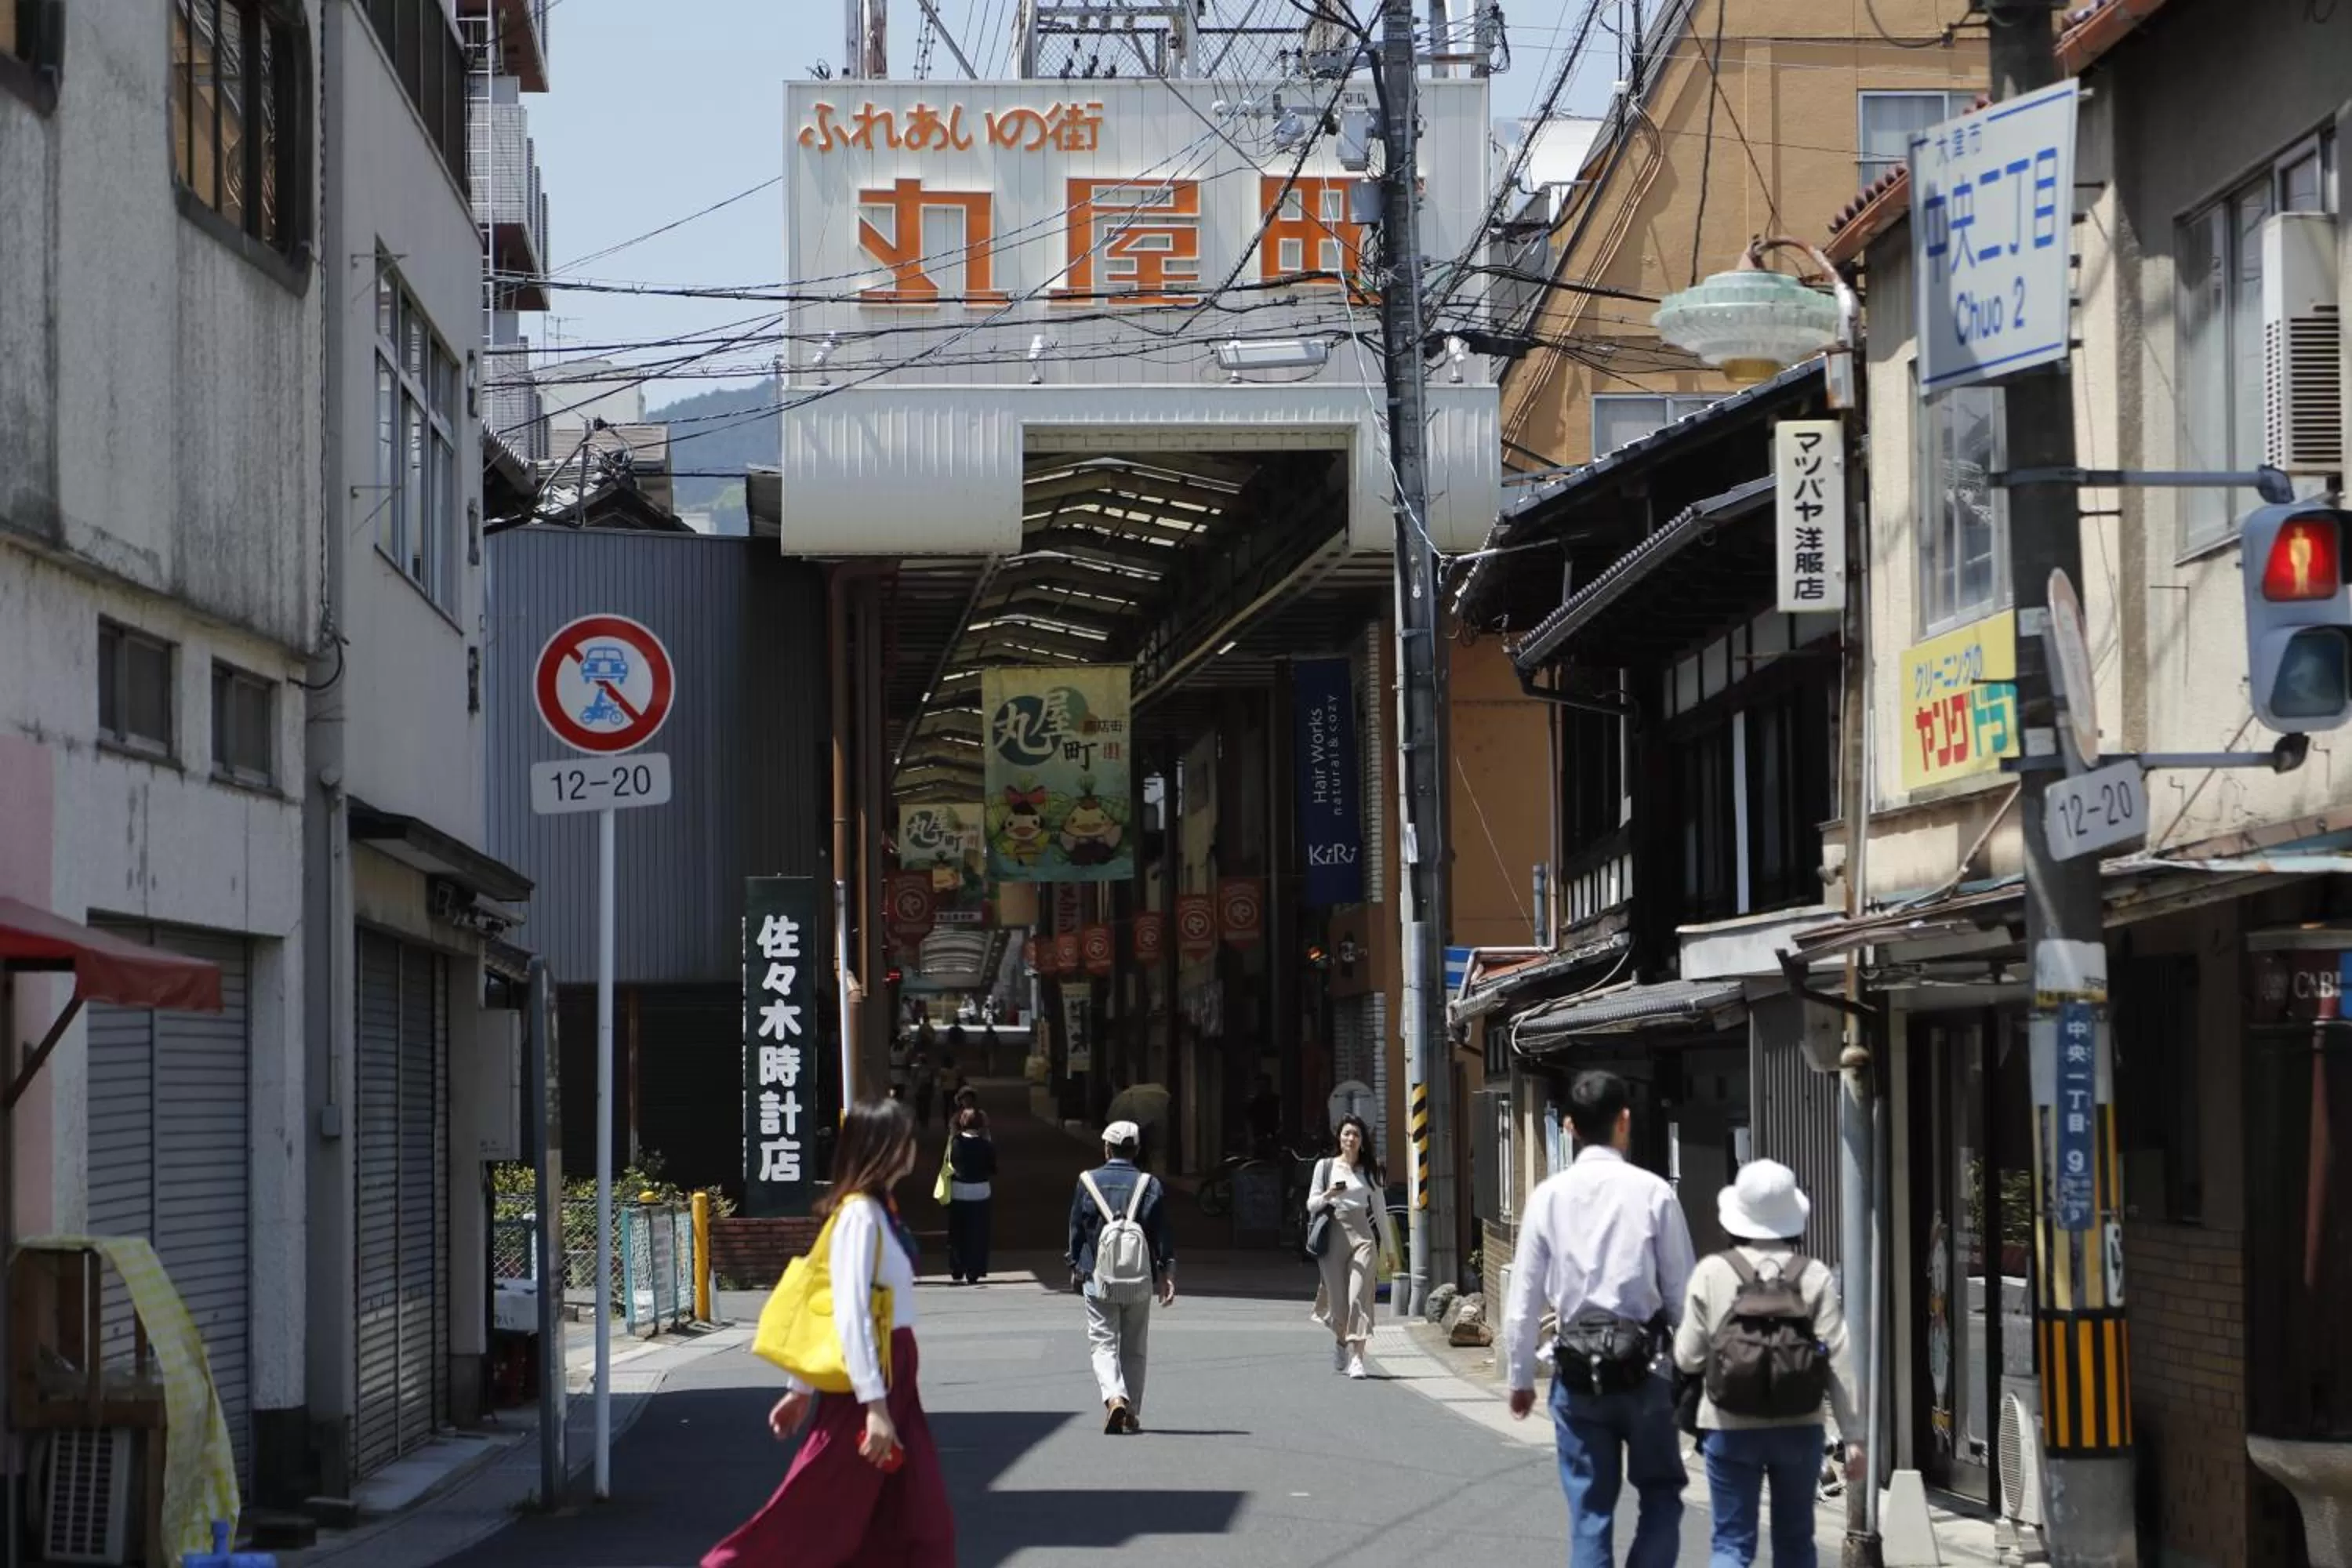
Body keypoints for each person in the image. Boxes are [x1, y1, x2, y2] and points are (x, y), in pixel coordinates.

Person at [703, 1099, 953, 1568]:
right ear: (885, 1148)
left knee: (911, 1520)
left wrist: (803, 1390)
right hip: (872, 1387)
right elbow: (849, 1312)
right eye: (905, 1138)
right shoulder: (858, 1216)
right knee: (817, 1514)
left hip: (891, 1383)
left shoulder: (880, 1212)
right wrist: (873, 1406)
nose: (913, 1147)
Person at [1501, 1070, 1697, 1568]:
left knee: (1590, 1513)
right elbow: (1683, 1296)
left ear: (1569, 1127)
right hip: (1647, 1369)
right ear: (1624, 1122)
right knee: (1661, 1493)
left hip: (1576, 1373)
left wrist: (1521, 1379)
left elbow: (1524, 1300)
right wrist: (1694, 1373)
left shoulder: (1547, 1197)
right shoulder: (1654, 1193)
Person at [1673, 1160, 1864, 1568]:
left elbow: (1686, 1355)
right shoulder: (1814, 1276)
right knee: (1795, 1543)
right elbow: (1841, 1360)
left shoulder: (1712, 1272)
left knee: (1731, 1544)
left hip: (1728, 1425)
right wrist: (1854, 1437)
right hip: (1800, 1426)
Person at [1066, 1118, 1176, 1434]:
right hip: (1139, 1278)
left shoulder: (1087, 1182)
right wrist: (1167, 1272)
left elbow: (1076, 1229)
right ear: (1137, 1149)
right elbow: (1161, 1233)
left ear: (1106, 1147)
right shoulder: (1149, 1184)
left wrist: (1075, 1265)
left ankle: (1115, 1396)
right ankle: (1133, 1412)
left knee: (1103, 1342)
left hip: (1097, 1276)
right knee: (1135, 1345)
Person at [1307, 1113, 1397, 1379]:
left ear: (1362, 1140)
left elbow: (1380, 1212)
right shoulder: (1325, 1167)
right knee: (1338, 1304)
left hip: (1363, 1237)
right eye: (1347, 1133)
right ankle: (1340, 1341)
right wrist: (1329, 1195)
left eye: (1356, 1135)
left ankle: (1358, 1358)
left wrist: (1389, 1249)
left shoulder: (1371, 1171)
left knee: (1360, 1297)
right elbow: (1311, 1205)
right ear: (1339, 1137)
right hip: (1333, 1234)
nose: (1351, 1138)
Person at [945, 1094, 997, 1286]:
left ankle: (957, 1266)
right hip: (981, 1190)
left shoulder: (956, 1143)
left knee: (958, 1229)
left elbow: (948, 1163)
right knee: (978, 1231)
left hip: (959, 1189)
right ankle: (974, 1269)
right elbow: (993, 1169)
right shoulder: (986, 1145)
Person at [1247, 1073, 1282, 1156]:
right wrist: (1251, 1138)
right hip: (1259, 1138)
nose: (1261, 1089)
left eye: (1263, 1086)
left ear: (1268, 1086)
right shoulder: (1254, 1104)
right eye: (1258, 1086)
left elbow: (1281, 1119)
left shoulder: (1276, 1101)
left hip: (1275, 1137)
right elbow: (1248, 1121)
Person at [910, 1051, 938, 1131]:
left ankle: (924, 1121)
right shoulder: (918, 1069)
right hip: (922, 1089)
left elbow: (913, 1080)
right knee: (923, 1106)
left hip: (924, 1089)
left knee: (924, 1106)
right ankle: (923, 1121)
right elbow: (913, 1079)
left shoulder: (925, 1069)